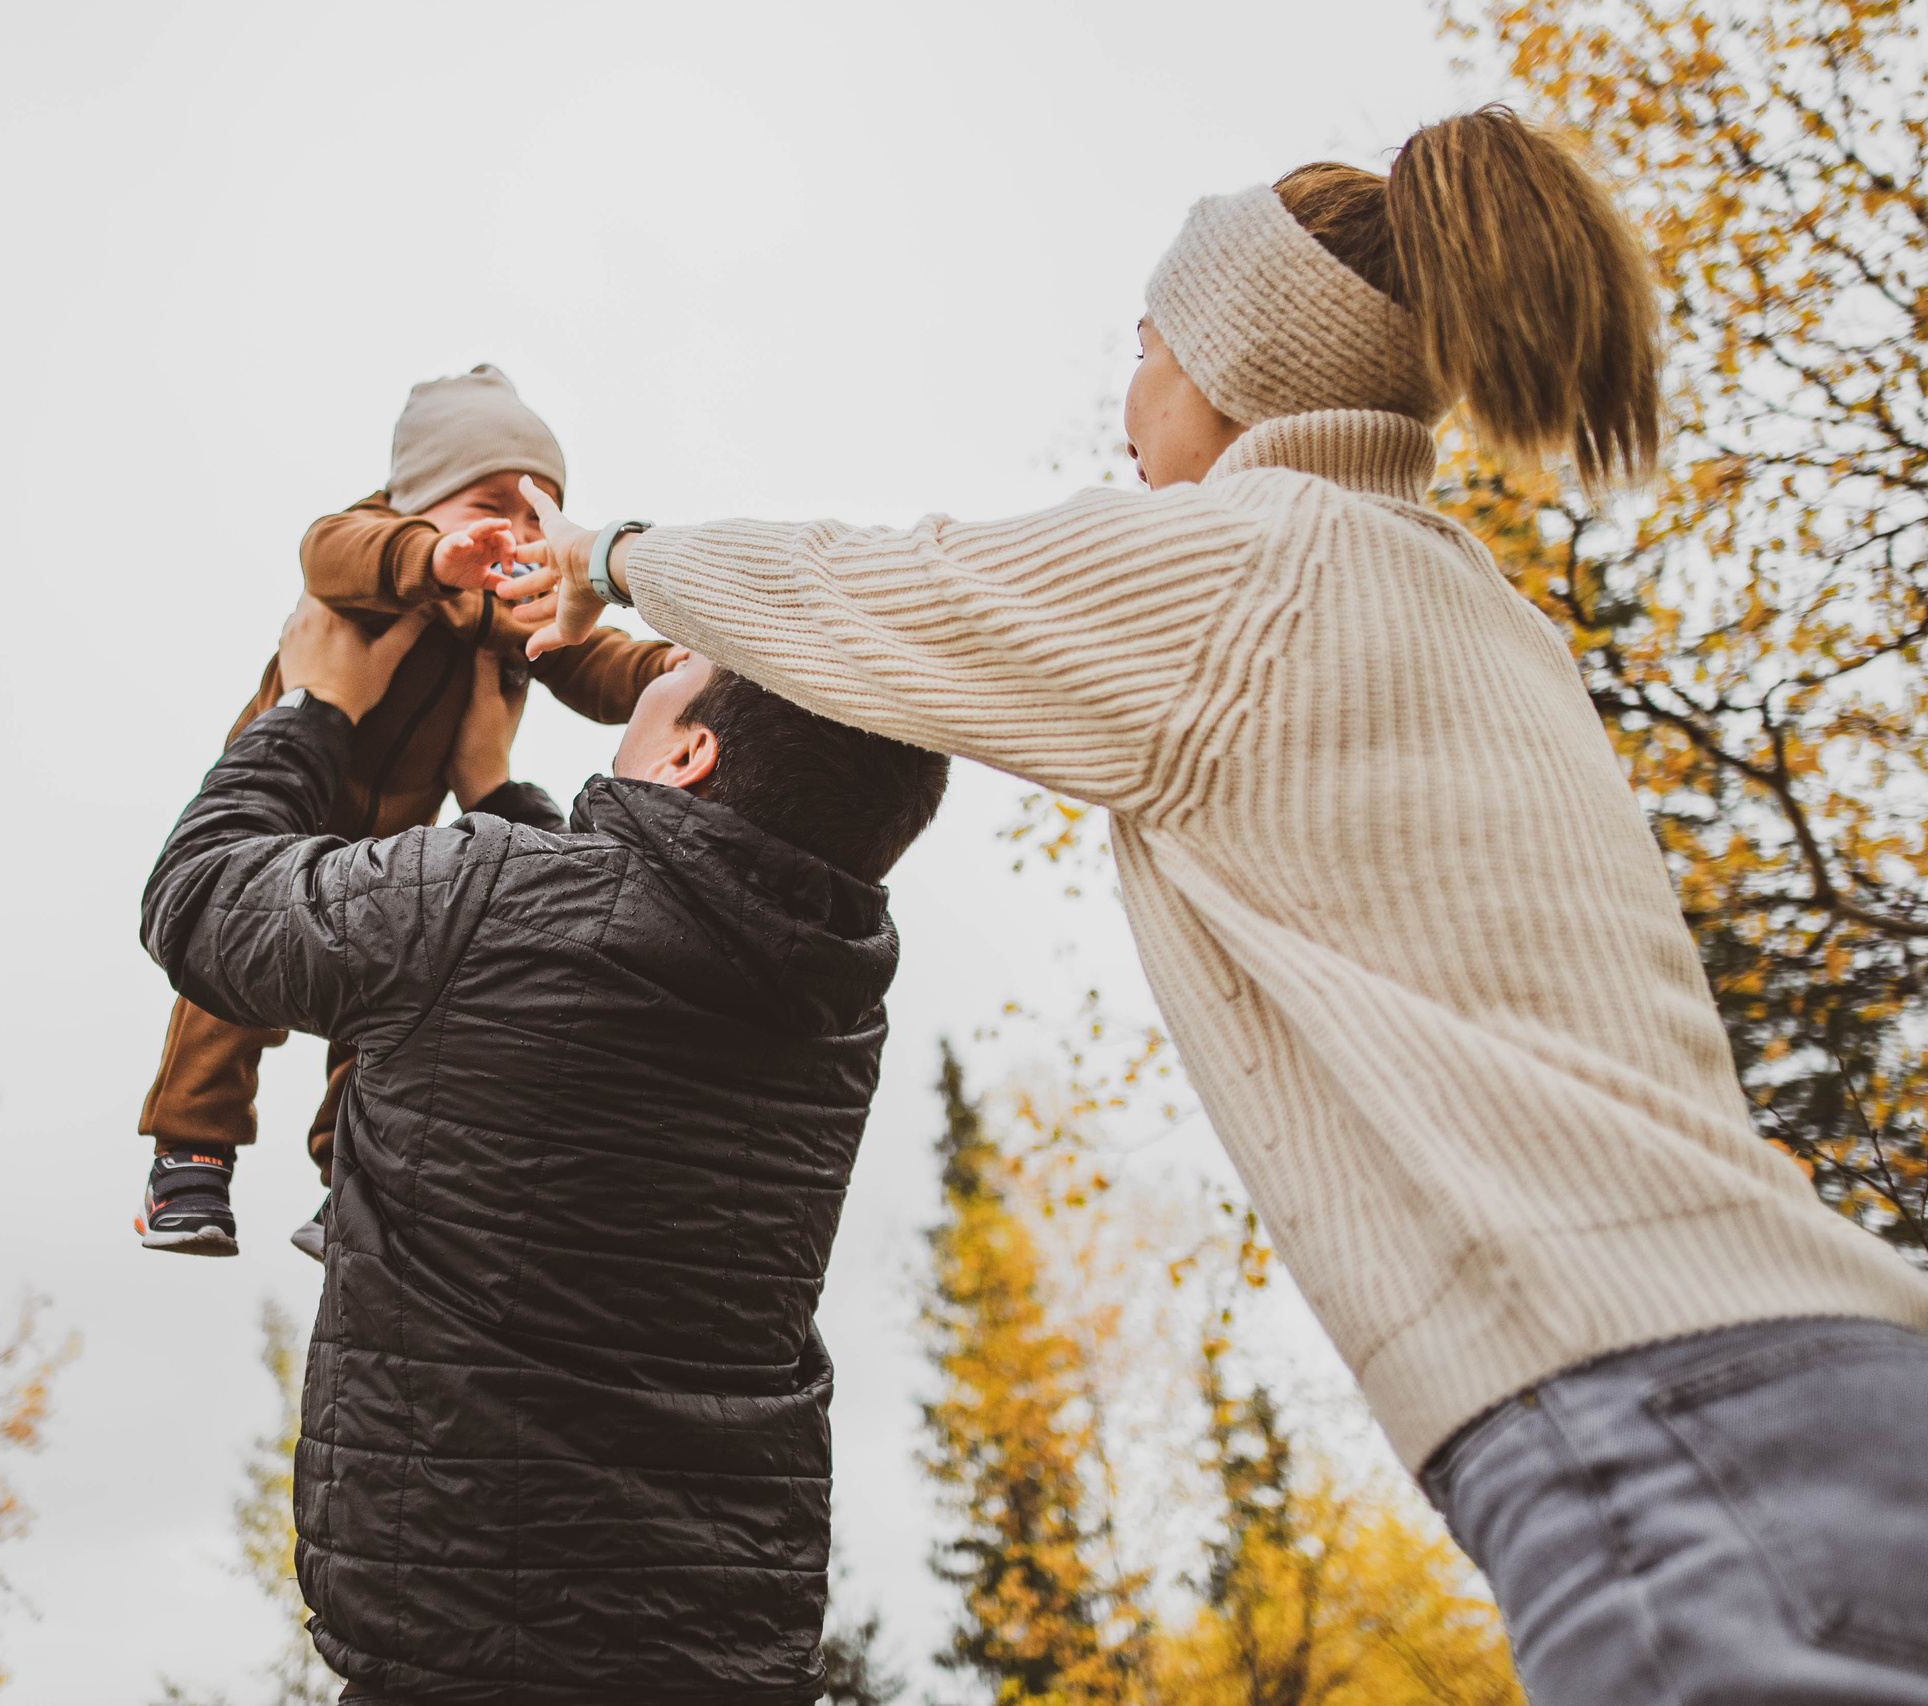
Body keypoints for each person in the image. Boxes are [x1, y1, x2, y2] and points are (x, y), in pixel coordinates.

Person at [495, 108, 1928, 1704]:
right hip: (1841, 1364)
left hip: (1649, 1407)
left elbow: (872, 593)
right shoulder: (1470, 600)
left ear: (1237, 363)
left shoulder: (1243, 564)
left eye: (1145, 349)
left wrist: (611, 551)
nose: (1129, 402)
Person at [139, 592, 948, 1703]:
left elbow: (201, 900)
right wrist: (495, 786)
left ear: (690, 754)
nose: (655, 671)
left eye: (674, 674)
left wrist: (309, 712)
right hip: (721, 1637)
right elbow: (613, 930)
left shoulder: (483, 899)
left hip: (474, 1644)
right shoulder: (835, 1004)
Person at [133, 364, 679, 1260]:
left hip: (389, 846)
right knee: (230, 987)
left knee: (380, 1007)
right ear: (416, 498)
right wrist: (429, 558)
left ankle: (345, 1177)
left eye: (537, 514)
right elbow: (328, 552)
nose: (515, 533)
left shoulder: (500, 603)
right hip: (287, 801)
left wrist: (673, 670)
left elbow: (587, 657)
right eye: (489, 504)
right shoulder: (375, 545)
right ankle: (191, 1155)